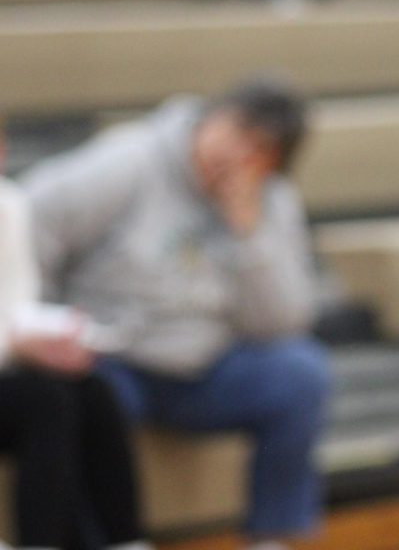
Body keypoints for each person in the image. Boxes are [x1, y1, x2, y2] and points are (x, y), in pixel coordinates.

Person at [22, 79, 329, 549]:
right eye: (236, 132)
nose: (238, 153)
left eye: (259, 149)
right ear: (211, 117)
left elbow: (283, 322)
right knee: (79, 398)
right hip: (115, 355)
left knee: (301, 373)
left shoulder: (270, 202)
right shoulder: (131, 160)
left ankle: (273, 538)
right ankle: (97, 541)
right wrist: (38, 319)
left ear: (275, 162)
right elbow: (28, 221)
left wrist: (249, 237)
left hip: (206, 367)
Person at [0, 123, 150, 550]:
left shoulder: (9, 206)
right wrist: (14, 343)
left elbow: (16, 304)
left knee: (92, 389)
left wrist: (59, 332)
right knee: (46, 401)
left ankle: (127, 540)